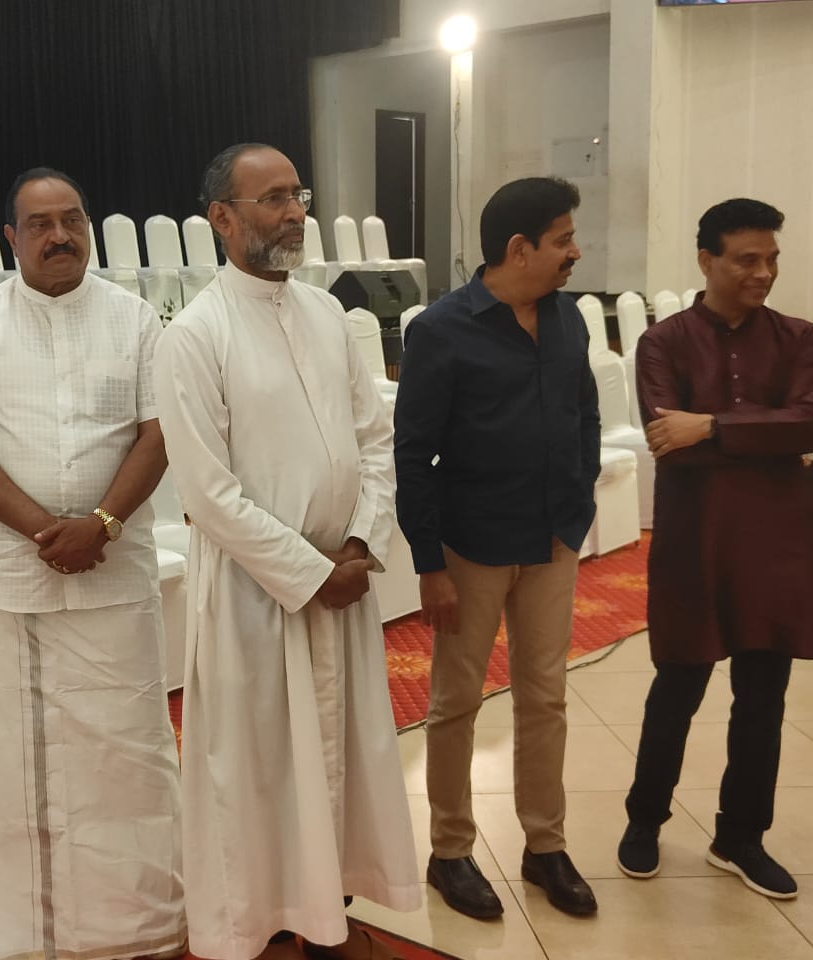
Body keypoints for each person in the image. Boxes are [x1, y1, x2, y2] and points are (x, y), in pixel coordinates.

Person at [154, 143, 420, 960]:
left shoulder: (328, 316)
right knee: (262, 772)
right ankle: (263, 928)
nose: (294, 213)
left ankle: (329, 914)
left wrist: (360, 541)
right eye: (270, 199)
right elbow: (208, 494)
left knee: (342, 759)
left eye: (297, 195)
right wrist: (309, 574)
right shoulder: (194, 335)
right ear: (221, 218)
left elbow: (375, 439)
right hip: (255, 596)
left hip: (343, 579)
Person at [0, 167, 185, 960]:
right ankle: (24, 939)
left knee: (128, 760)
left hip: (116, 581)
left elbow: (159, 433)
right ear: (12, 238)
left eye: (71, 219)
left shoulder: (134, 317)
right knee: (14, 767)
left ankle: (136, 933)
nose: (59, 236)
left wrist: (101, 525)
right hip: (15, 585)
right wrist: (48, 530)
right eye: (39, 224)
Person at [393, 176, 600, 919]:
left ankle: (545, 845)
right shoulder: (441, 330)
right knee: (456, 702)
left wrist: (579, 499)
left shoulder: (568, 317)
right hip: (472, 547)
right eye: (564, 240)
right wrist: (429, 564)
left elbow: (584, 415)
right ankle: (450, 851)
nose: (575, 252)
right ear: (520, 248)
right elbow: (412, 454)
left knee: (546, 696)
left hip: (552, 539)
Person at [617, 198, 813, 900]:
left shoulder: (799, 339)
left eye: (772, 259)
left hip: (775, 548)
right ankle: (644, 821)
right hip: (693, 543)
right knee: (676, 691)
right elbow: (668, 441)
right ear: (707, 260)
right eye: (746, 260)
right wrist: (766, 436)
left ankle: (741, 838)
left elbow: (808, 423)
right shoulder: (663, 343)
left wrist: (712, 427)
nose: (764, 273)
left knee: (762, 700)